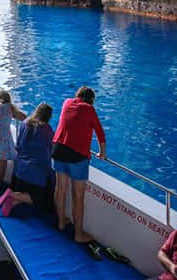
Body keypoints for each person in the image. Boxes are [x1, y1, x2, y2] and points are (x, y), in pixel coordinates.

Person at [51, 86, 106, 243]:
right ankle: (78, 234)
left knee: (60, 188)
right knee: (78, 196)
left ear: (78, 96)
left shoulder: (66, 102)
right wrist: (102, 152)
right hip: (77, 155)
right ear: (91, 100)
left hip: (58, 149)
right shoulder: (89, 109)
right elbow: (100, 133)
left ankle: (61, 222)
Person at [0, 102, 55, 216]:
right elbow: (51, 148)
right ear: (48, 117)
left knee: (27, 192)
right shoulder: (47, 130)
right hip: (36, 172)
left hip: (19, 170)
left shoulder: (25, 124)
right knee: (43, 200)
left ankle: (13, 202)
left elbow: (18, 145)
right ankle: (12, 195)